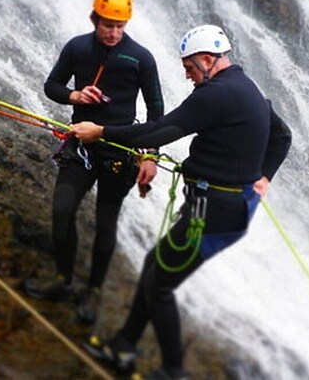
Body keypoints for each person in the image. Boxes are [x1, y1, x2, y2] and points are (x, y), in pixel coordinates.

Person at [69, 24, 292, 380]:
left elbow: (161, 131)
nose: (188, 76)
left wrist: (102, 131)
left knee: (160, 283)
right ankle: (125, 344)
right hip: (226, 206)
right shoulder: (246, 88)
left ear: (207, 60)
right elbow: (282, 136)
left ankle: (174, 371)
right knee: (156, 264)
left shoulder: (215, 96)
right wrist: (264, 177)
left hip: (214, 211)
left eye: (189, 68)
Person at [22, 0, 164, 326]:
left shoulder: (141, 58)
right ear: (95, 18)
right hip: (81, 146)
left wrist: (151, 155)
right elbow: (52, 85)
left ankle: (95, 290)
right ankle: (64, 280)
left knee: (106, 221)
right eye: (108, 25)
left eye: (120, 26)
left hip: (120, 150)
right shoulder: (78, 48)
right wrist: (75, 97)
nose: (114, 33)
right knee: (62, 209)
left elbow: (156, 109)